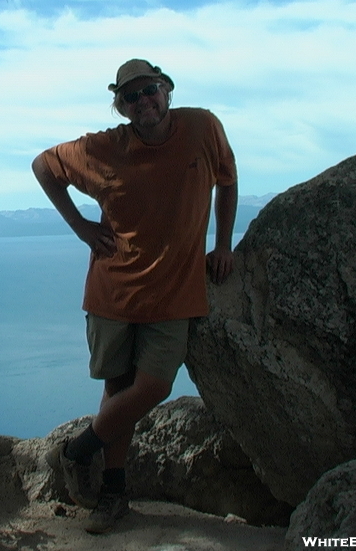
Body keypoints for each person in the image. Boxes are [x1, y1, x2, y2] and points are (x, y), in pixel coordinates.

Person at [31, 58, 238, 534]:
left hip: (174, 292)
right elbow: (44, 165)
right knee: (117, 390)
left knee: (154, 387)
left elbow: (227, 181)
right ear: (120, 106)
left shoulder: (202, 127)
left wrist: (223, 244)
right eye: (131, 96)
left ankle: (76, 451)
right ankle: (113, 494)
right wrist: (81, 226)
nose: (143, 101)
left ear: (166, 90)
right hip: (112, 292)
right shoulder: (103, 148)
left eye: (149, 91)